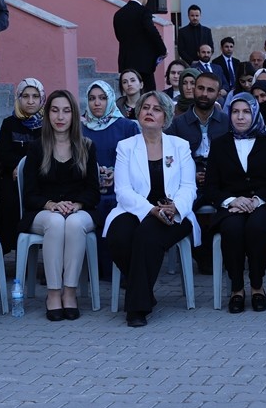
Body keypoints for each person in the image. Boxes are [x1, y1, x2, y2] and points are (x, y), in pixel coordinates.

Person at [104, 91, 199, 327]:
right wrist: (149, 209)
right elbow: (123, 191)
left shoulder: (180, 146)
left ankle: (137, 307)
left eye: (156, 109)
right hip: (135, 208)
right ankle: (145, 292)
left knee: (147, 235)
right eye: (145, 107)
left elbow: (189, 186)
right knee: (118, 236)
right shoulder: (126, 147)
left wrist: (175, 206)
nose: (149, 112)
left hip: (173, 210)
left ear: (165, 118)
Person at [203, 93, 266, 313]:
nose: (240, 117)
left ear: (255, 113)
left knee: (256, 227)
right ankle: (236, 289)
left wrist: (257, 200)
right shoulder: (220, 144)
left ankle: (257, 285)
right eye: (235, 112)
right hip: (232, 206)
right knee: (232, 229)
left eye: (246, 112)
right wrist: (233, 200)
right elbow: (211, 187)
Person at [21, 91, 100, 321]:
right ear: (47, 114)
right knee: (56, 222)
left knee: (74, 224)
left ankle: (70, 293)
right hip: (43, 212)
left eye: (66, 111)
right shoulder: (36, 148)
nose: (60, 116)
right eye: (55, 110)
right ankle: (53, 293)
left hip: (79, 210)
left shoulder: (87, 146)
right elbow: (29, 194)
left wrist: (76, 204)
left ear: (74, 115)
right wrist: (51, 205)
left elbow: (93, 191)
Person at [80, 80, 141, 277]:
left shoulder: (126, 127)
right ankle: (91, 270)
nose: (96, 103)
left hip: (121, 191)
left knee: (116, 207)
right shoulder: (80, 129)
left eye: (102, 98)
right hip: (90, 191)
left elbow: (138, 162)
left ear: (111, 99)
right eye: (92, 98)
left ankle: (121, 271)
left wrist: (117, 173)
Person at [0, 78, 44, 249]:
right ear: (18, 98)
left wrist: (25, 167)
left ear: (42, 99)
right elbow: (3, 152)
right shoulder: (9, 123)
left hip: (41, 174)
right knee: (8, 199)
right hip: (14, 174)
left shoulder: (48, 125)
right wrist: (17, 167)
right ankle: (12, 244)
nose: (30, 101)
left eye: (35, 96)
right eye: (25, 96)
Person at [167, 71, 230, 172]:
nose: (204, 94)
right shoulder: (177, 124)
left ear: (218, 95)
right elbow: (168, 159)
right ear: (194, 90)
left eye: (210, 90)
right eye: (200, 88)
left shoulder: (227, 122)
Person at [114, 0, 166, 92]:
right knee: (149, 96)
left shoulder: (118, 14)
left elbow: (119, 37)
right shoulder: (144, 12)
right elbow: (152, 32)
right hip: (144, 65)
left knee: (129, 97)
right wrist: (163, 50)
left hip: (125, 63)